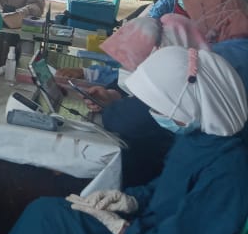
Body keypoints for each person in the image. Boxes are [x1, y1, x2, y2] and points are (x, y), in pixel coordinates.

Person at [0, 46, 248, 234]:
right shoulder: (197, 139)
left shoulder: (227, 173)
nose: (155, 114)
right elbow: (166, 190)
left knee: (48, 226)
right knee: (45, 213)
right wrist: (131, 200)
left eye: (160, 108)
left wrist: (122, 229)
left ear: (190, 103)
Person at [75, 15, 210, 186]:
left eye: (138, 62)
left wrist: (111, 106)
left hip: (148, 178)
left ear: (164, 53)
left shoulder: (178, 91)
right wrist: (112, 95)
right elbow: (128, 84)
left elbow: (126, 120)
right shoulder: (181, 72)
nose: (131, 69)